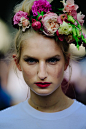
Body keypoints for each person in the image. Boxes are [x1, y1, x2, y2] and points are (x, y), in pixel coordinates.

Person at [0, 0, 86, 128]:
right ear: (17, 63)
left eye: (52, 60)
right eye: (31, 60)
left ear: (66, 62)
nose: (42, 74)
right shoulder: (4, 122)